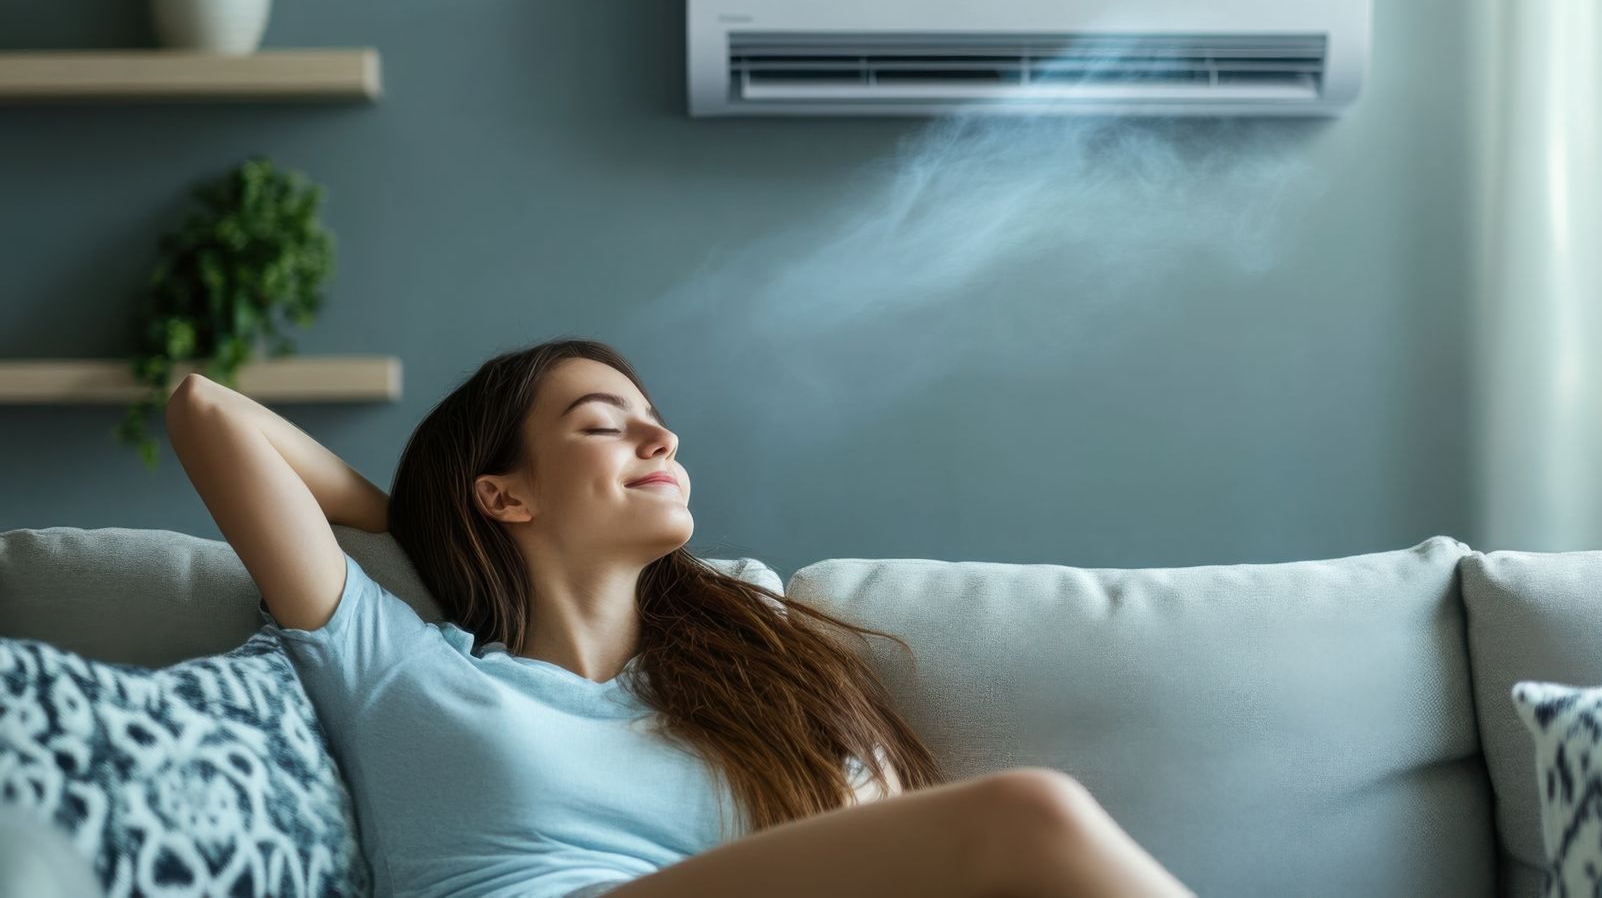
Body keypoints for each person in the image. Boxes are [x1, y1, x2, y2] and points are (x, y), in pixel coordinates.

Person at [166, 335, 1194, 898]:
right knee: (1026, 817)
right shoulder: (398, 660)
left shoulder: (756, 693)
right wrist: (424, 529)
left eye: (654, 420)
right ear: (504, 493)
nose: (659, 432)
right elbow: (210, 411)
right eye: (603, 425)